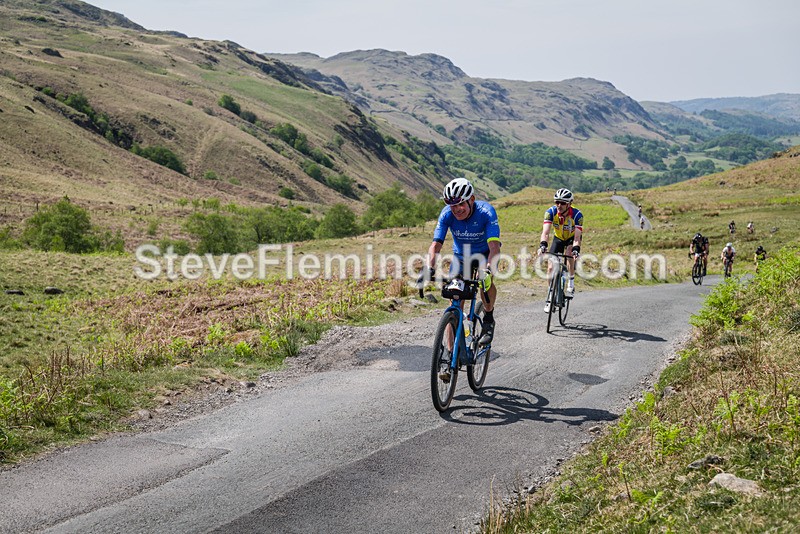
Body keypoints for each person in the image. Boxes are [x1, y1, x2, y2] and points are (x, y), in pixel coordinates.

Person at [418, 177, 501, 347]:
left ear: (471, 199)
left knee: (485, 284)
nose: (456, 209)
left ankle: (489, 317)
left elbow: (494, 247)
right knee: (455, 302)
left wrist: (488, 271)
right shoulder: (447, 214)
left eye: (460, 204)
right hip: (461, 257)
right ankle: (449, 354)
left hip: (484, 255)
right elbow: (435, 245)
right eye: (452, 205)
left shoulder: (486, 212)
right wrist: (428, 268)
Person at [538, 188, 583, 312]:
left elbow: (577, 238)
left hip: (571, 239)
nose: (559, 205)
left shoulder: (577, 215)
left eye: (562, 203)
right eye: (557, 202)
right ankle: (550, 296)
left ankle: (571, 283)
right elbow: (545, 232)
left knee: (569, 254)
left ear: (569, 204)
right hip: (558, 238)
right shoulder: (550, 212)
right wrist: (543, 245)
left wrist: (576, 249)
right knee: (551, 267)